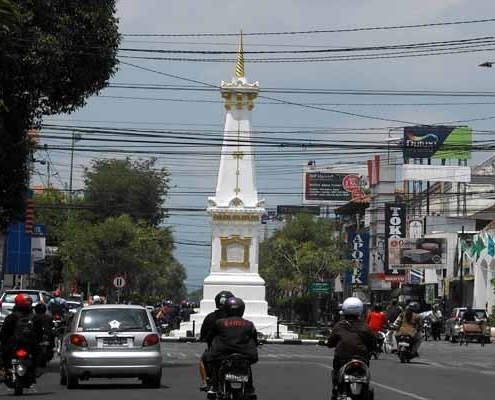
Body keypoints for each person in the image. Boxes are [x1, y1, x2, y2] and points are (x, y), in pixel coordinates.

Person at [206, 297, 258, 398]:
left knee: (215, 365)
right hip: (245, 354)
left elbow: (210, 336)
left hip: (222, 354)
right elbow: (254, 339)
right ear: (242, 310)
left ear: (226, 309)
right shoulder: (249, 324)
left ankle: (214, 386)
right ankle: (249, 388)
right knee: (247, 366)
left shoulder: (219, 323)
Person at [327, 297, 375, 400]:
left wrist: (330, 343)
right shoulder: (366, 326)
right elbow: (373, 342)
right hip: (362, 357)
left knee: (336, 371)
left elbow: (331, 341)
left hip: (343, 357)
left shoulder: (339, 326)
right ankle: (365, 390)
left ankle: (336, 388)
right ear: (360, 311)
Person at [198, 291, 234, 392]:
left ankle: (205, 383)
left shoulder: (210, 317)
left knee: (202, 360)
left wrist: (203, 338)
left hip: (215, 350)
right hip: (234, 349)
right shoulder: (235, 318)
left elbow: (203, 335)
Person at [0, 294, 43, 375]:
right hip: (29, 344)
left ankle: (5, 368)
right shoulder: (34, 318)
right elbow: (39, 333)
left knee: (4, 352)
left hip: (14, 344)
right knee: (37, 352)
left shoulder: (11, 317)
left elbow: (4, 333)